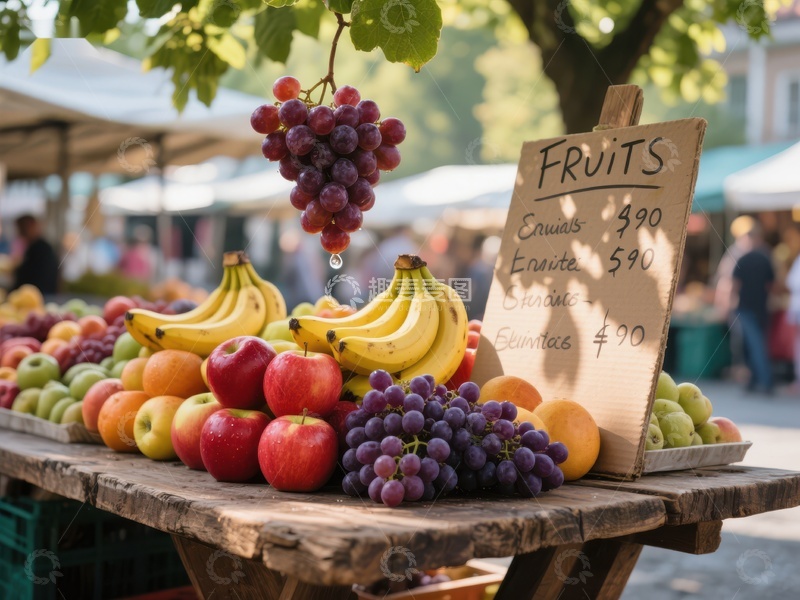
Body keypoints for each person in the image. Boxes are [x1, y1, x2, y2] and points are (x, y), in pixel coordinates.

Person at [732, 223, 775, 394]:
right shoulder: (766, 259)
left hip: (746, 307)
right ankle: (755, 380)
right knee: (753, 344)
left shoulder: (743, 259)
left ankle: (765, 380)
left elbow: (734, 285)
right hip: (761, 308)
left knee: (754, 345)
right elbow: (772, 285)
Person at [12, 215, 59, 295]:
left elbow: (27, 275)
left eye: (22, 228)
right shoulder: (39, 246)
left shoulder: (39, 248)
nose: (20, 232)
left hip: (39, 295)